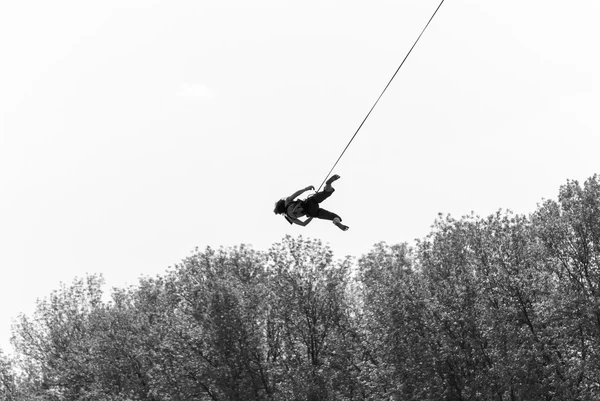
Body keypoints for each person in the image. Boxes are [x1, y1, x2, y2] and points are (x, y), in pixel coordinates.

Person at [273, 174, 349, 231]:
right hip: (310, 201)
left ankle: (337, 222)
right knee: (326, 192)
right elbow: (297, 193)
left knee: (333, 216)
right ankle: (328, 184)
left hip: (312, 212)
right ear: (282, 203)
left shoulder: (290, 217)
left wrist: (312, 215)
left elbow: (303, 224)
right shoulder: (287, 201)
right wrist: (306, 189)